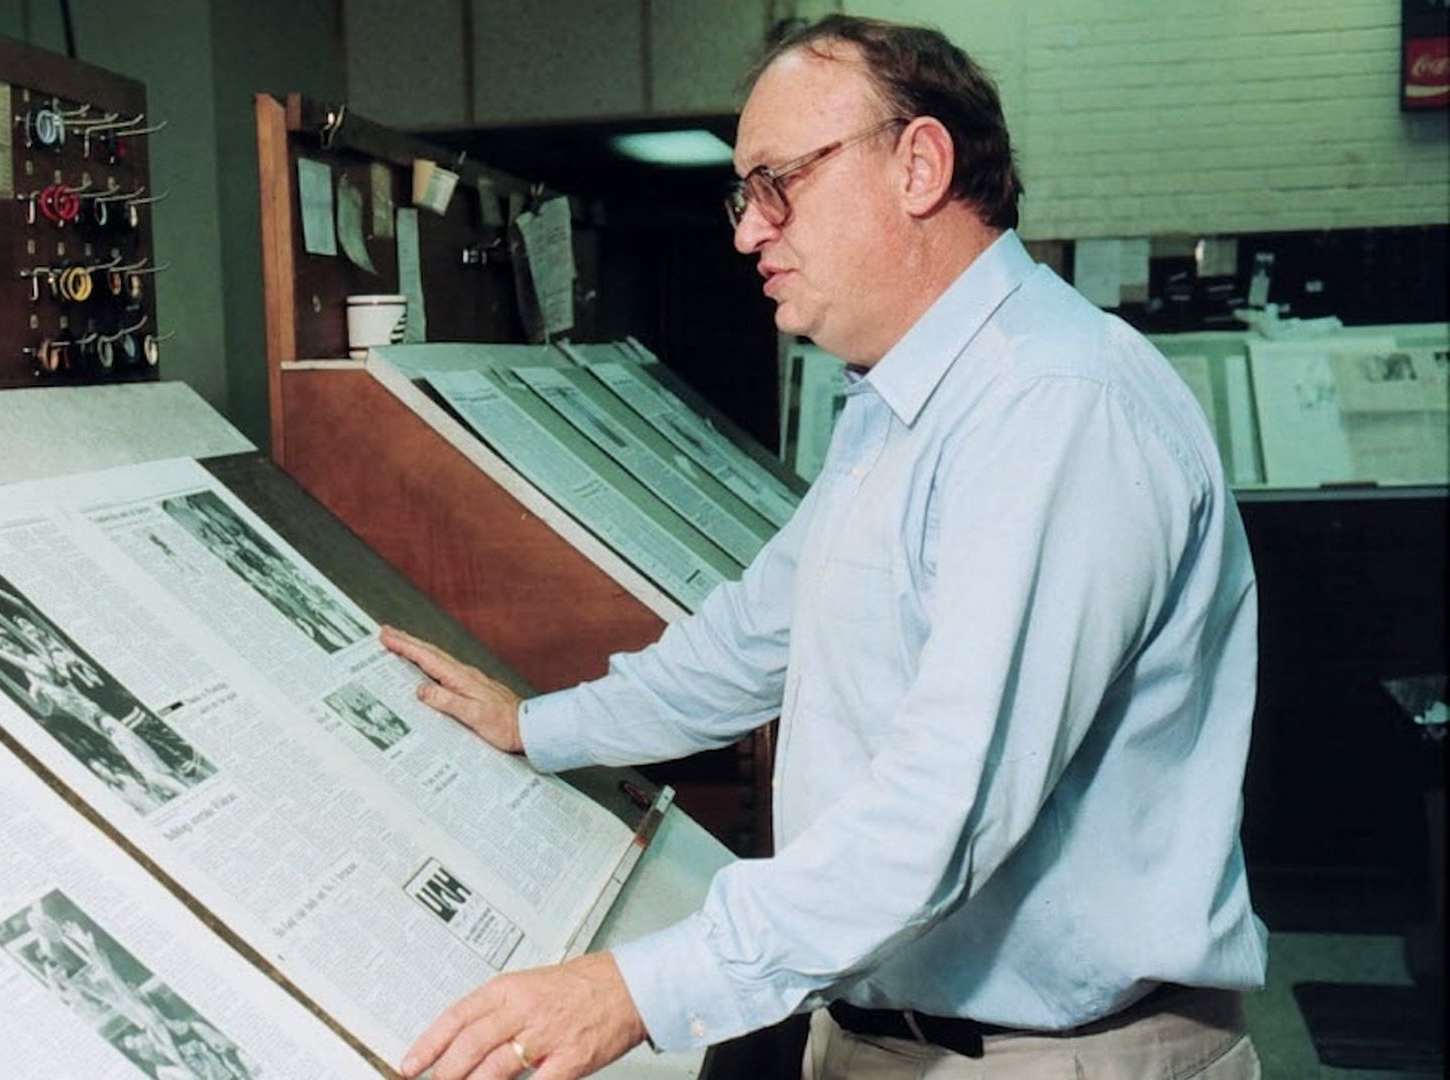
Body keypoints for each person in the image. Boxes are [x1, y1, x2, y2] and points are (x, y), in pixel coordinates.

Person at [383, 14, 1267, 1080]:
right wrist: (536, 726)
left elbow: (946, 808)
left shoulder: (1053, 408)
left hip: (1050, 1055)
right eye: (741, 194)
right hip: (884, 1031)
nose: (748, 231)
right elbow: (752, 643)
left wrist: (639, 988)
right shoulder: (901, 401)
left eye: (777, 183)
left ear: (920, 165)